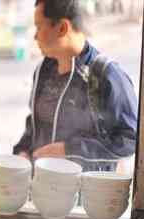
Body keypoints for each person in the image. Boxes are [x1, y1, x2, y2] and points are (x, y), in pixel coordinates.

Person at [13, 0, 138, 171]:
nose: (35, 36)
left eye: (38, 27)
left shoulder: (106, 76)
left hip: (88, 194)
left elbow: (131, 140)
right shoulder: (44, 70)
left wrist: (69, 150)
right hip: (43, 188)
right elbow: (35, 125)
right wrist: (23, 152)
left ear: (63, 28)